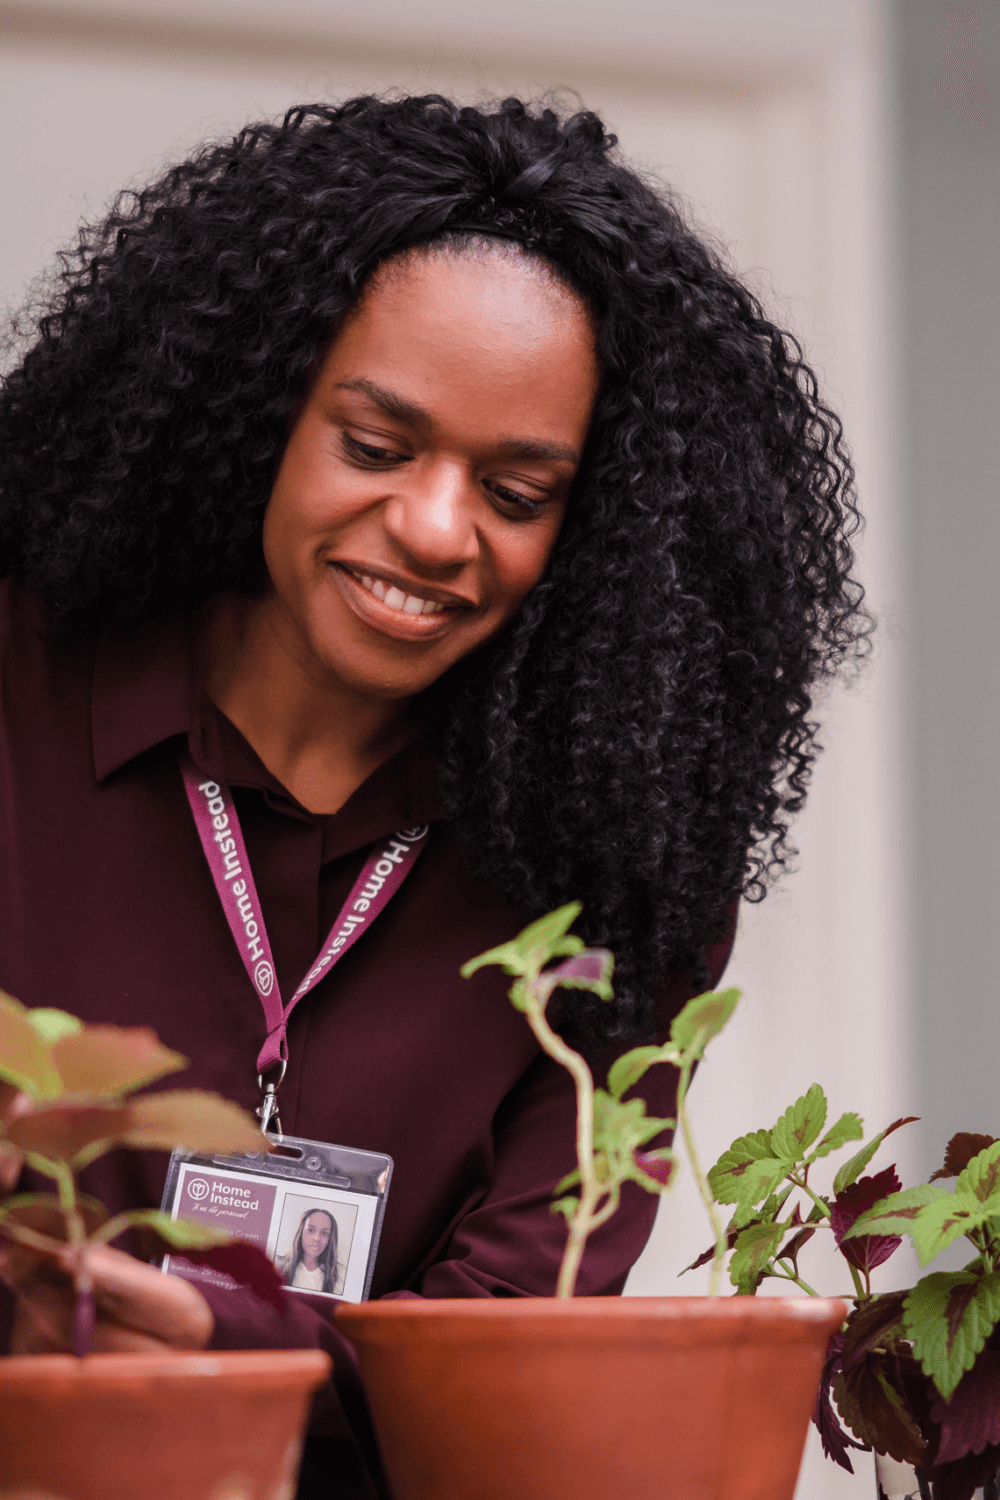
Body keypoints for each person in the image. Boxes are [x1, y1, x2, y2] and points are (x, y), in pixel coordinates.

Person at [0, 95, 869, 1496]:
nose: (435, 528)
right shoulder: (18, 690)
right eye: (379, 445)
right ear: (256, 408)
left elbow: (511, 1335)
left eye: (518, 492)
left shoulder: (629, 852)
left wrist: (219, 1340)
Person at [277, 1210, 342, 1296]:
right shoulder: (277, 1264)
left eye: (325, 1233)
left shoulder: (341, 1275)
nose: (316, 1238)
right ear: (300, 1232)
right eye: (311, 1230)